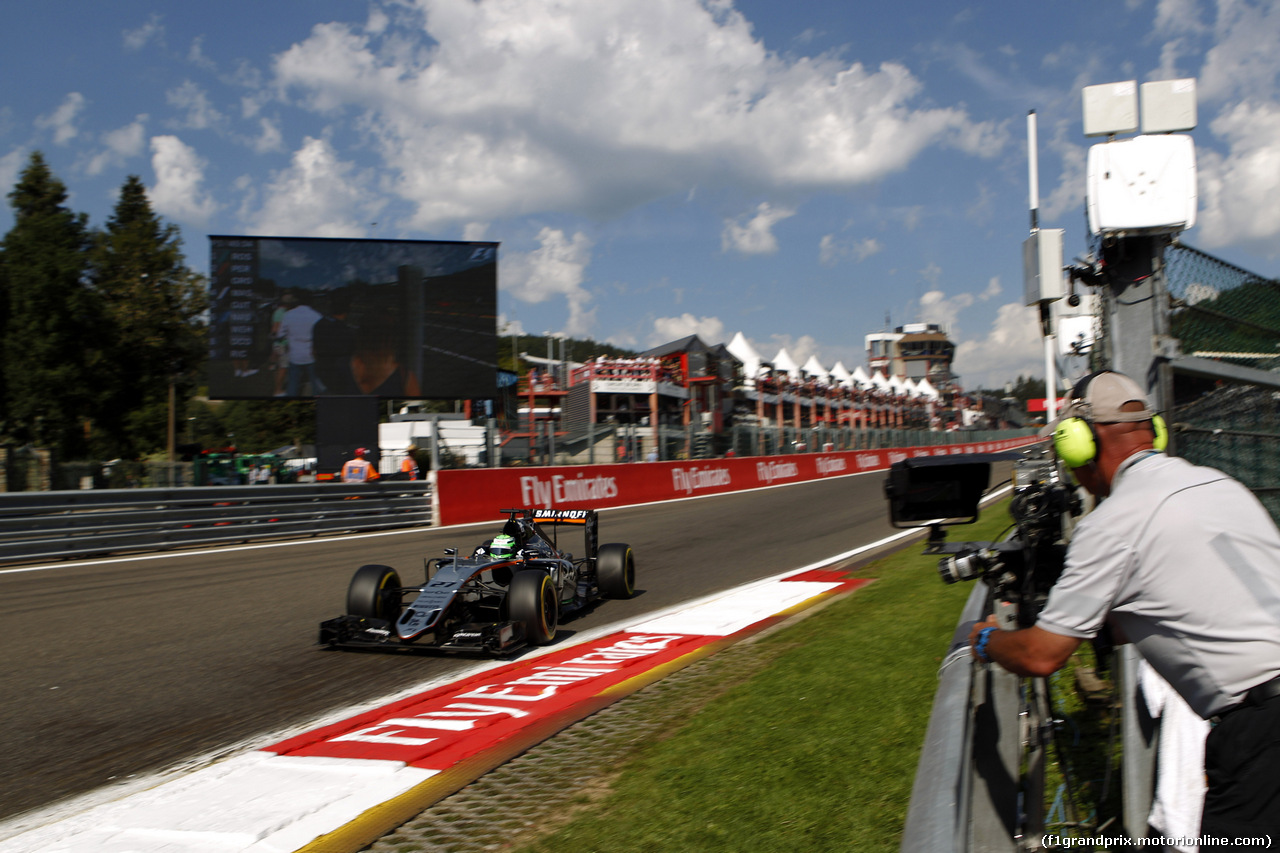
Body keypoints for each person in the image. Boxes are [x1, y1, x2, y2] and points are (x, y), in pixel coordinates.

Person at [967, 370, 1280, 846]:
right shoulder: (1220, 485)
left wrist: (987, 639)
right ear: (1153, 432)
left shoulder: (1114, 521)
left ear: (1081, 443)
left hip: (1263, 735)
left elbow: (1041, 656)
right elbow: (1178, 604)